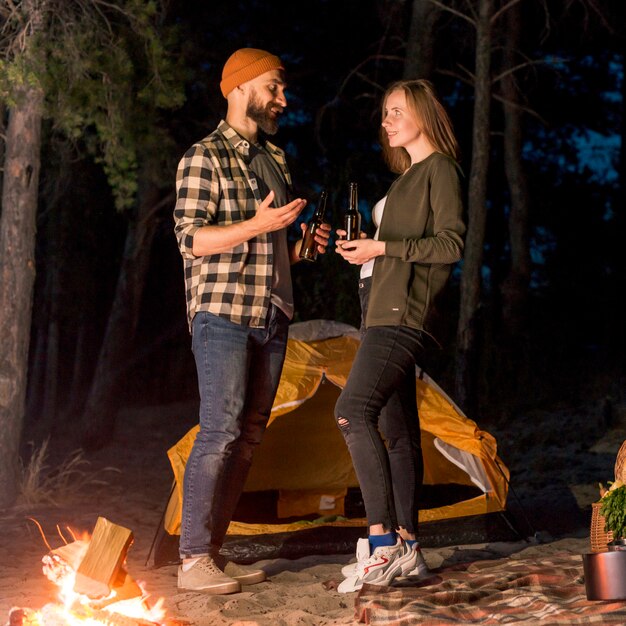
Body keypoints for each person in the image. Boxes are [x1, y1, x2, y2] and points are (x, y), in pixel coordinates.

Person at [173, 47, 330, 595]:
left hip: (272, 312)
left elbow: (269, 249)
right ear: (240, 88)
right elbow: (191, 238)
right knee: (219, 430)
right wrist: (255, 224)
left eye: (282, 90)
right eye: (273, 88)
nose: (282, 100)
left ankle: (211, 554)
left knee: (246, 439)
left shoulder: (275, 159)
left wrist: (302, 248)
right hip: (223, 313)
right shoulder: (204, 157)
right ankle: (192, 559)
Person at [334, 79, 466, 593]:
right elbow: (391, 245)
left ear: (424, 114)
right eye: (384, 113)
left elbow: (450, 243)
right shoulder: (407, 178)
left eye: (396, 111)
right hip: (378, 307)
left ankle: (382, 544)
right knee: (398, 430)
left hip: (402, 313)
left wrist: (382, 249)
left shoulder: (441, 170)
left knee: (351, 410)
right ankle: (408, 547)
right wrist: (363, 251)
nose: (386, 121)